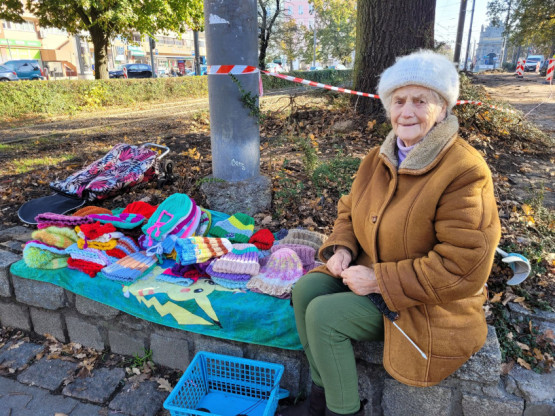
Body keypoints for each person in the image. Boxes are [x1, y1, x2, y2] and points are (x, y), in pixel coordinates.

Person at [285, 50, 501, 416]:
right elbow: (349, 209)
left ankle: (342, 411)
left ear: (443, 108)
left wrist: (379, 280)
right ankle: (319, 402)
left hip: (427, 305)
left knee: (324, 315)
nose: (407, 112)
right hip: (371, 277)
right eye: (399, 101)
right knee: (306, 289)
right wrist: (342, 249)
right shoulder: (379, 157)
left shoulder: (465, 170)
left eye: (421, 101)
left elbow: (464, 266)